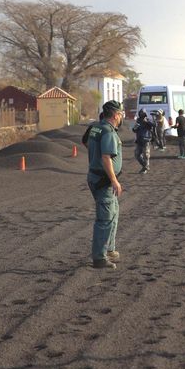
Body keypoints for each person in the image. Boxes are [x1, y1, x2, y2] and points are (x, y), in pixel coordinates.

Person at [85, 100, 124, 270]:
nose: (121, 117)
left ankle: (109, 249)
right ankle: (99, 258)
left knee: (113, 213)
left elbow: (85, 141)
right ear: (116, 115)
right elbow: (106, 157)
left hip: (96, 176)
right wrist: (114, 180)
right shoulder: (108, 132)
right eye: (121, 114)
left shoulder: (96, 127)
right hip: (103, 181)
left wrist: (94, 153)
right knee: (105, 218)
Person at [132, 109, 155, 174]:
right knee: (137, 155)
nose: (142, 116)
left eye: (143, 114)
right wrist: (135, 127)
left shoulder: (147, 120)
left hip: (146, 140)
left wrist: (147, 122)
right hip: (139, 140)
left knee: (146, 155)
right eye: (141, 114)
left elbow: (154, 125)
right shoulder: (138, 120)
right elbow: (134, 130)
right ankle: (145, 166)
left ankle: (145, 168)